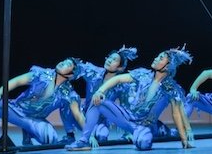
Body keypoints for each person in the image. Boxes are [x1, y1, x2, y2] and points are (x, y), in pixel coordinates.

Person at [66, 46, 195, 150]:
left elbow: (176, 113)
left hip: (143, 125)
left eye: (160, 58)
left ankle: (161, 132)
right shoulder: (142, 74)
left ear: (167, 66)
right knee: (97, 100)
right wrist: (100, 91)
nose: (156, 58)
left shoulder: (170, 87)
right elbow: (118, 78)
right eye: (157, 56)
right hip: (127, 117)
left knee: (143, 142)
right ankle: (84, 140)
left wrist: (184, 139)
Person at [0, 57, 87, 145]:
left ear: (71, 75)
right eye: (63, 61)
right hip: (16, 110)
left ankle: (27, 131)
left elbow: (78, 115)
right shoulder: (41, 74)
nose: (62, 63)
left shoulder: (68, 93)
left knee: (50, 139)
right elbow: (17, 81)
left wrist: (88, 135)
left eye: (67, 64)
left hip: (34, 120)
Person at [60, 46, 138, 143]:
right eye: (109, 57)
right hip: (84, 117)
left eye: (114, 60)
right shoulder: (93, 72)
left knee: (102, 136)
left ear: (120, 67)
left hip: (101, 120)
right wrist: (69, 63)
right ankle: (70, 135)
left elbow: (125, 107)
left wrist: (128, 132)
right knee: (67, 100)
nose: (109, 60)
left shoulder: (121, 85)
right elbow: (78, 67)